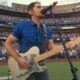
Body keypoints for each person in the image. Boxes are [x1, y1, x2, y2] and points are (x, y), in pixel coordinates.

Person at [4, 2, 77, 80]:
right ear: (30, 11)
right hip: (25, 67)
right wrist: (18, 59)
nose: (42, 9)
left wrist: (68, 46)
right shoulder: (22, 26)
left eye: (42, 7)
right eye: (38, 7)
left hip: (41, 66)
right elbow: (7, 43)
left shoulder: (47, 29)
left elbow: (52, 48)